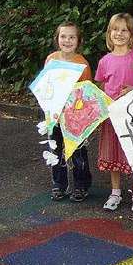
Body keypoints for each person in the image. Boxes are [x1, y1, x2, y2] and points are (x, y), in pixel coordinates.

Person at [95, 13, 133, 212]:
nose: (119, 34)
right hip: (112, 117)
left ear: (132, 34)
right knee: (114, 153)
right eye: (115, 30)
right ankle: (115, 192)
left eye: (124, 30)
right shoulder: (105, 60)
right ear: (109, 34)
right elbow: (101, 87)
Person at [45, 22, 93, 203]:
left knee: (78, 150)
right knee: (55, 149)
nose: (67, 40)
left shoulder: (82, 64)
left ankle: (81, 184)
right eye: (63, 36)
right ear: (57, 39)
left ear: (78, 41)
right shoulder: (51, 59)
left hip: (75, 116)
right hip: (54, 114)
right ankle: (59, 184)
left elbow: (87, 93)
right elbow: (46, 86)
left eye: (72, 37)